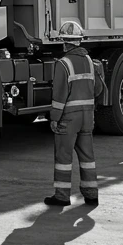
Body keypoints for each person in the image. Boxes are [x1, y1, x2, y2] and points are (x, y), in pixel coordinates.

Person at [45, 20, 105, 207]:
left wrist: (54, 118)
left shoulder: (63, 64)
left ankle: (62, 196)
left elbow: (59, 95)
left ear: (65, 42)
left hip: (69, 117)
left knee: (63, 157)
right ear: (79, 41)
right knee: (88, 157)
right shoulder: (89, 61)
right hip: (87, 117)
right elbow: (97, 89)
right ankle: (91, 195)